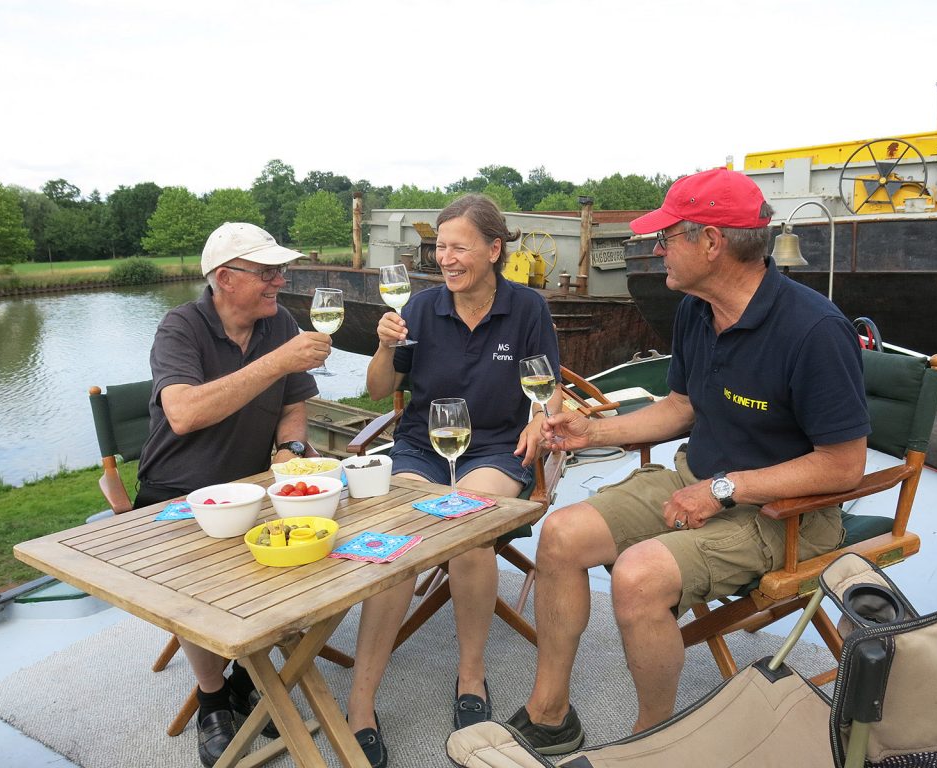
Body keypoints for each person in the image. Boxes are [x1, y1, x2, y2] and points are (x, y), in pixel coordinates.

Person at [504, 168, 871, 754]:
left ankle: (656, 742)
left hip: (786, 514)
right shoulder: (697, 311)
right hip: (695, 477)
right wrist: (591, 429)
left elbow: (844, 466)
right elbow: (680, 408)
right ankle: (550, 714)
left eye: (667, 236)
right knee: (562, 533)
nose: (657, 249)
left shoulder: (815, 331)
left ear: (711, 242)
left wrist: (724, 489)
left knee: (638, 576)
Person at [346, 194, 563, 768]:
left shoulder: (526, 309)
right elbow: (374, 390)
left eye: (458, 246)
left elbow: (547, 384)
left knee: (467, 525)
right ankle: (360, 703)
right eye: (440, 247)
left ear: (494, 250)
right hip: (422, 443)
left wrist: (541, 417)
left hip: (494, 445)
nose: (446, 257)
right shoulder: (417, 309)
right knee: (395, 544)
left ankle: (471, 675)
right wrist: (384, 344)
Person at [134, 221, 332, 767]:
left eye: (280, 271)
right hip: (177, 491)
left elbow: (294, 402)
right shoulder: (181, 328)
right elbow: (184, 412)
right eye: (267, 272)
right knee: (196, 591)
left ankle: (251, 673)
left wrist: (290, 448)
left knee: (322, 555)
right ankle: (214, 697)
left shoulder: (279, 322)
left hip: (254, 485)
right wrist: (280, 360)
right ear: (225, 277)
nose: (279, 281)